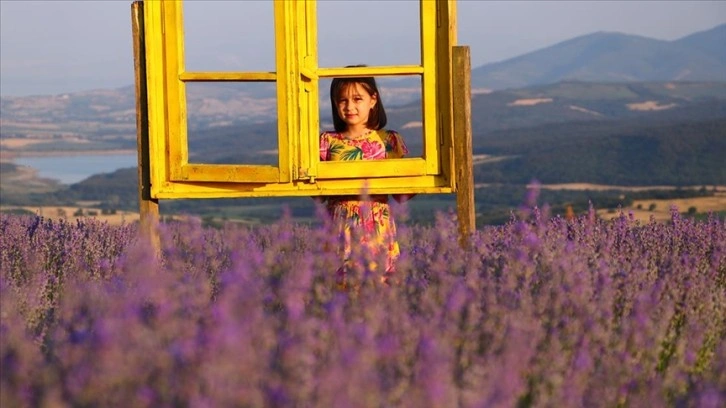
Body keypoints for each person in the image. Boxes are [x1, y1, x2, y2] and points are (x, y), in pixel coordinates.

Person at [318, 68, 414, 287]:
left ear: (373, 100)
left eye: (357, 99)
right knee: (340, 297)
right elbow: (316, 195)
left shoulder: (389, 140)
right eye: (342, 100)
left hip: (378, 228)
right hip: (339, 228)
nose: (349, 106)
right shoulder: (326, 142)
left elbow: (402, 194)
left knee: (379, 295)